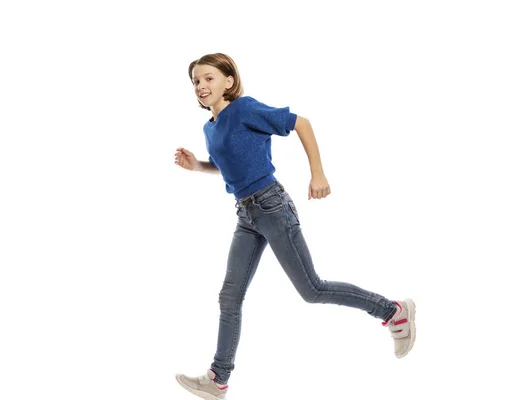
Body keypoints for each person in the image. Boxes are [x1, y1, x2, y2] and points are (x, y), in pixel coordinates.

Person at [174, 53, 416, 400]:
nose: (201, 86)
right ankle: (218, 378)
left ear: (228, 81)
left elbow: (301, 123)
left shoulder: (244, 109)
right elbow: (228, 164)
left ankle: (394, 311)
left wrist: (318, 173)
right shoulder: (210, 128)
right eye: (196, 81)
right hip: (246, 215)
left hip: (272, 207)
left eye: (209, 78)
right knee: (230, 296)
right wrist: (197, 165)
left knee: (311, 289)